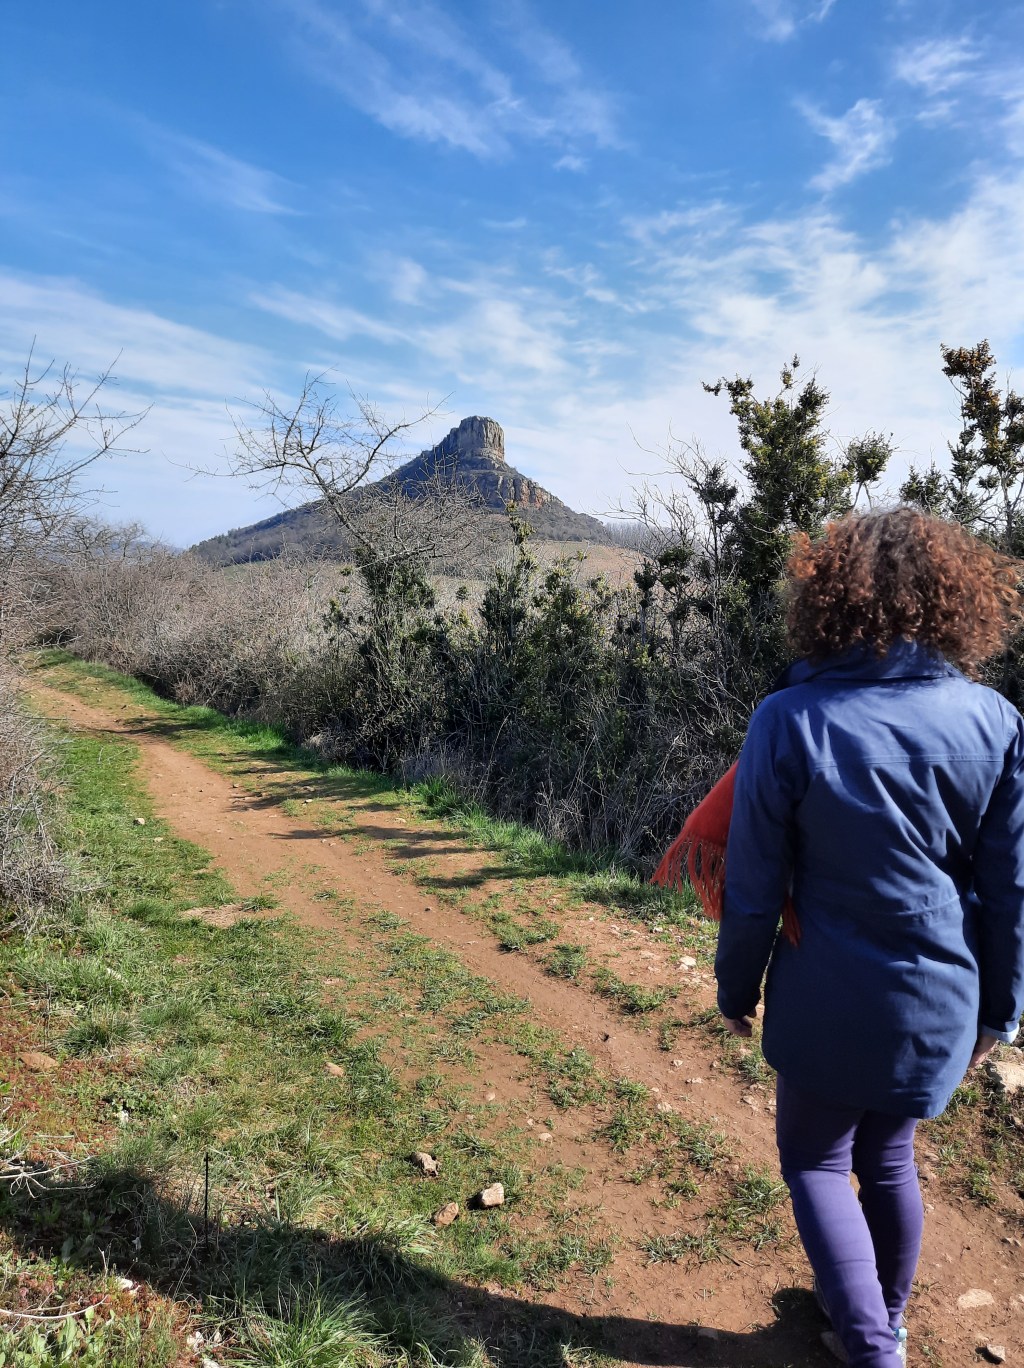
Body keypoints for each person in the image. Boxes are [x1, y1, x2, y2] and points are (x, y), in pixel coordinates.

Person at [714, 507, 1024, 1368]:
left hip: (826, 995)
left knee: (815, 1162)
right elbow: (1011, 891)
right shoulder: (995, 721)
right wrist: (1001, 1010)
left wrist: (736, 990)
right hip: (940, 1002)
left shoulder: (789, 717)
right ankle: (886, 1316)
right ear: (951, 602)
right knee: (889, 1158)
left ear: (829, 600)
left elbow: (752, 891)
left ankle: (870, 1348)